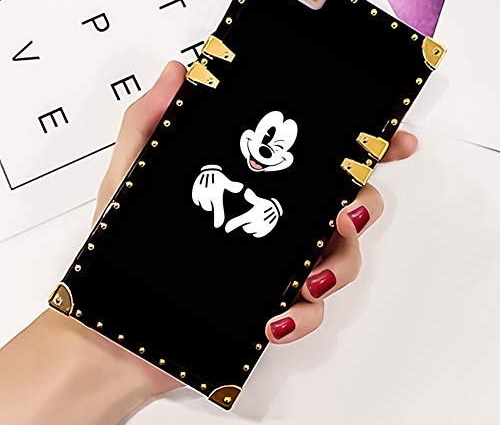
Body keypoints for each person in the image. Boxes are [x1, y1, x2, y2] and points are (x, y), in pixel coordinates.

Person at [0, 62, 418, 424]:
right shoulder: (211, 179)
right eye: (264, 134)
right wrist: (97, 330)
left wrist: (102, 348)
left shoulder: (259, 205)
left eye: (282, 147)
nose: (266, 148)